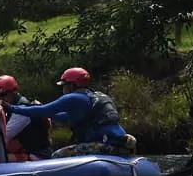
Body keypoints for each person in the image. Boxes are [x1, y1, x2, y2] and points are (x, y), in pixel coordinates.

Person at [7, 67, 136, 157]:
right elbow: (64, 118)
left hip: (103, 146)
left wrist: (11, 108)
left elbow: (43, 110)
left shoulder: (73, 98)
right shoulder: (95, 97)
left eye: (64, 85)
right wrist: (46, 112)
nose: (63, 88)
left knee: (57, 155)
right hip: (118, 145)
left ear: (72, 85)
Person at [0, 75, 52, 161]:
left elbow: (4, 136)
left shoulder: (22, 111)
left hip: (37, 155)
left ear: (13, 93)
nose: (0, 99)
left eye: (3, 95)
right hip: (27, 150)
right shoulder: (12, 107)